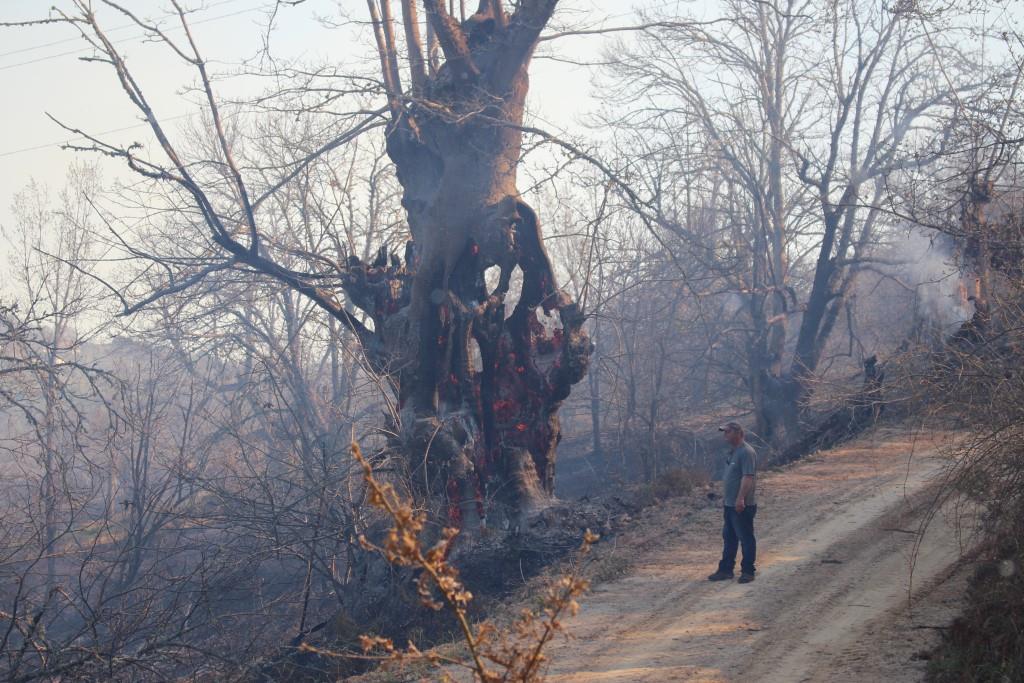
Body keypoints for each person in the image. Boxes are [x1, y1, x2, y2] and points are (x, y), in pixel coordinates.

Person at [708, 422, 758, 584]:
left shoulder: (746, 452)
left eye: (727, 432)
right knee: (729, 537)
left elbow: (748, 477)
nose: (725, 435)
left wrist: (740, 498)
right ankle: (725, 570)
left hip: (742, 504)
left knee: (745, 537)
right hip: (729, 504)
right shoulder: (733, 452)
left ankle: (748, 571)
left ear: (738, 432)